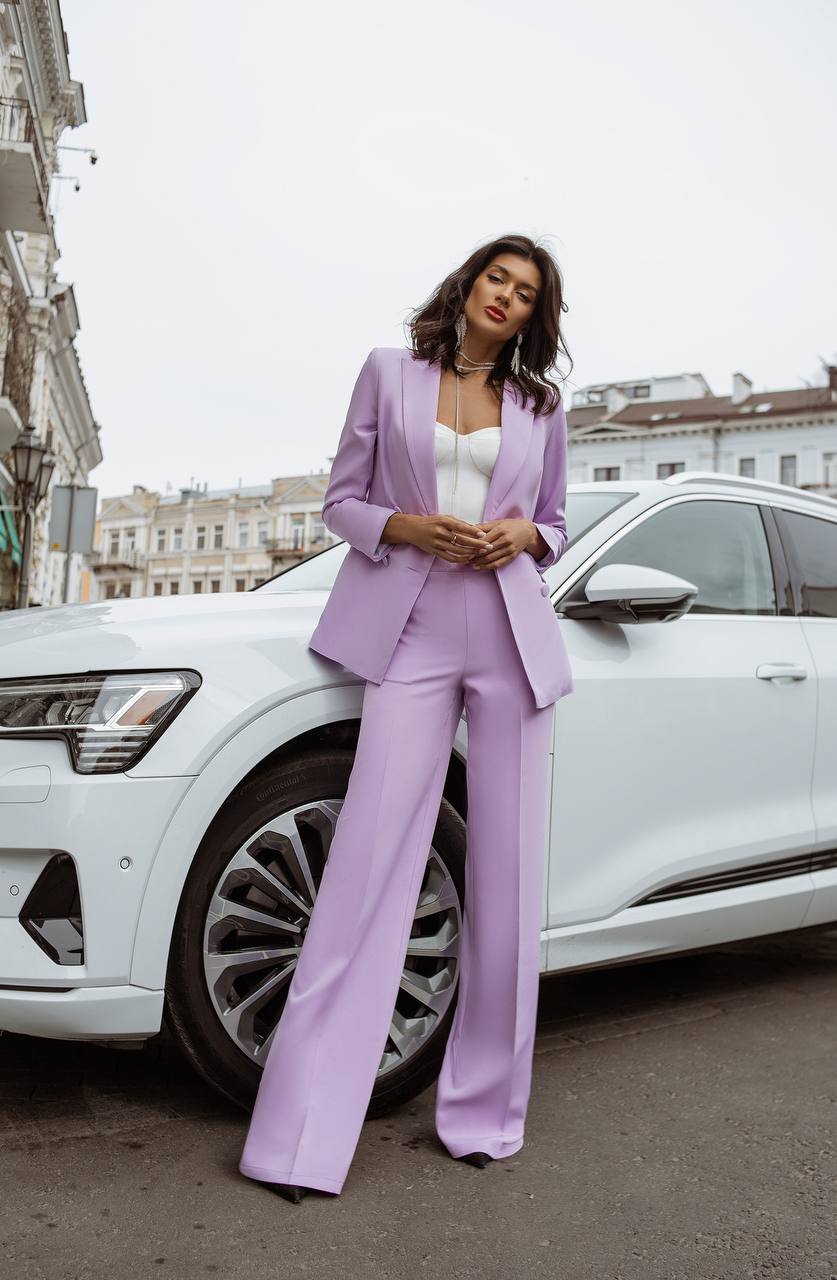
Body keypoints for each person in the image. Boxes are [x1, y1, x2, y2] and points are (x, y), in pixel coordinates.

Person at [238, 232, 575, 1202]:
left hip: (510, 633)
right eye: (497, 278)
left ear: (533, 312)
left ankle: (484, 1114)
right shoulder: (389, 372)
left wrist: (525, 533)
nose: (507, 296)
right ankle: (301, 1134)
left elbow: (553, 521)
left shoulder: (541, 406)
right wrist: (403, 525)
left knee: (507, 885)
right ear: (467, 285)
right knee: (367, 869)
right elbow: (340, 500)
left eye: (526, 290)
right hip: (414, 629)